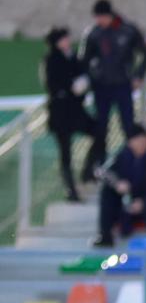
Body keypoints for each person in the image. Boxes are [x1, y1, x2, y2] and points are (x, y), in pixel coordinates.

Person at [80, 0, 146, 169]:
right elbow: (84, 60)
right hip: (101, 87)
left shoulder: (127, 30)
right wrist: (87, 79)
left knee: (127, 125)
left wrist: (138, 75)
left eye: (101, 17)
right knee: (101, 127)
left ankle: (130, 162)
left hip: (123, 85)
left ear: (109, 15)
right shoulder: (93, 34)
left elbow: (145, 53)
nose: (99, 21)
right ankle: (100, 164)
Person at [41, 27, 99, 200]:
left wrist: (83, 83)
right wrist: (71, 86)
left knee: (98, 131)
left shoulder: (73, 57)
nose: (67, 42)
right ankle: (70, 190)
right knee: (65, 152)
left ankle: (88, 171)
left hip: (76, 111)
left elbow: (83, 73)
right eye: (63, 39)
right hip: (60, 112)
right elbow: (53, 84)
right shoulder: (51, 60)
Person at [95, 124, 146, 247]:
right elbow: (107, 173)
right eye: (137, 140)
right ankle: (105, 236)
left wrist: (144, 203)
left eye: (143, 139)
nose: (141, 143)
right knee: (107, 193)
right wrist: (118, 183)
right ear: (130, 143)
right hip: (128, 203)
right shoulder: (123, 156)